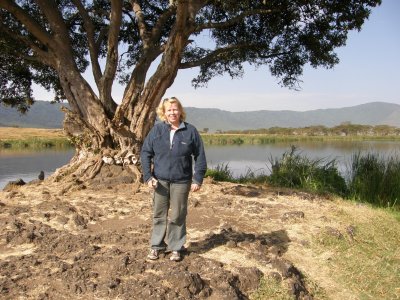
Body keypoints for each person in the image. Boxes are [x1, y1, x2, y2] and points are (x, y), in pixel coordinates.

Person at [140, 97, 207, 261]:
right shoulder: (157, 131)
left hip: (182, 181)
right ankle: (156, 246)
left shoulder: (190, 131)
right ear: (164, 112)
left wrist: (197, 179)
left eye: (175, 109)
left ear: (180, 111)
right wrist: (148, 177)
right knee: (159, 214)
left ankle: (176, 247)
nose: (172, 112)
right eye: (169, 110)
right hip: (159, 181)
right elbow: (145, 153)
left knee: (178, 215)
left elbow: (200, 156)